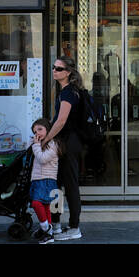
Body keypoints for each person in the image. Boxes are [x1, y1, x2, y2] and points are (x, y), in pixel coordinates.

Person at [38, 56, 84, 241]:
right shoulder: (66, 92)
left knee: (70, 185)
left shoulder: (69, 93)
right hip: (64, 144)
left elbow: (61, 120)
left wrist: (46, 139)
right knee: (56, 185)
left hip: (68, 144)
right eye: (53, 67)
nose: (54, 71)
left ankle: (74, 227)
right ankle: (55, 223)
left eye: (58, 68)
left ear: (68, 73)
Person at [28, 118, 61, 242]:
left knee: (36, 203)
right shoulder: (40, 144)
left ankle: (45, 229)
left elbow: (42, 159)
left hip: (46, 180)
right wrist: (34, 144)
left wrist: (36, 146)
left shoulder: (53, 145)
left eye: (40, 129)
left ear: (49, 129)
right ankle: (49, 231)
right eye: (35, 131)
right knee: (45, 205)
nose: (38, 133)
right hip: (38, 179)